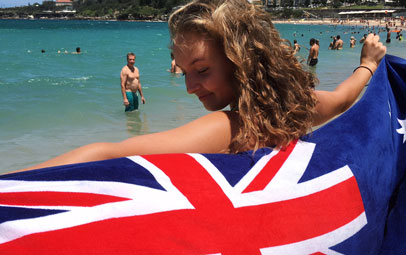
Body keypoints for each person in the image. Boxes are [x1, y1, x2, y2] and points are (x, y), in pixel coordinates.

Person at [15, 0, 386, 171]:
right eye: (183, 70)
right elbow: (341, 99)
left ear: (243, 64)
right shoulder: (295, 108)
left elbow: (108, 153)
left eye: (202, 70)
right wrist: (368, 64)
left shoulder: (228, 127)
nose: (190, 86)